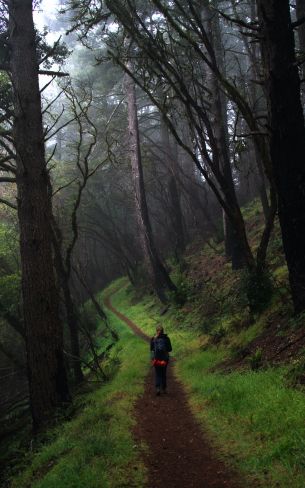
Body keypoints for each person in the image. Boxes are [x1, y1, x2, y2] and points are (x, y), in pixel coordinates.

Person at [150, 325, 172, 396]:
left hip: (156, 359)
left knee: (158, 373)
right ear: (163, 331)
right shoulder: (166, 338)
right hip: (164, 359)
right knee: (163, 373)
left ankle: (158, 388)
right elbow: (170, 349)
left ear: (156, 331)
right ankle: (164, 388)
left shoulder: (153, 338)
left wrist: (152, 358)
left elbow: (151, 349)